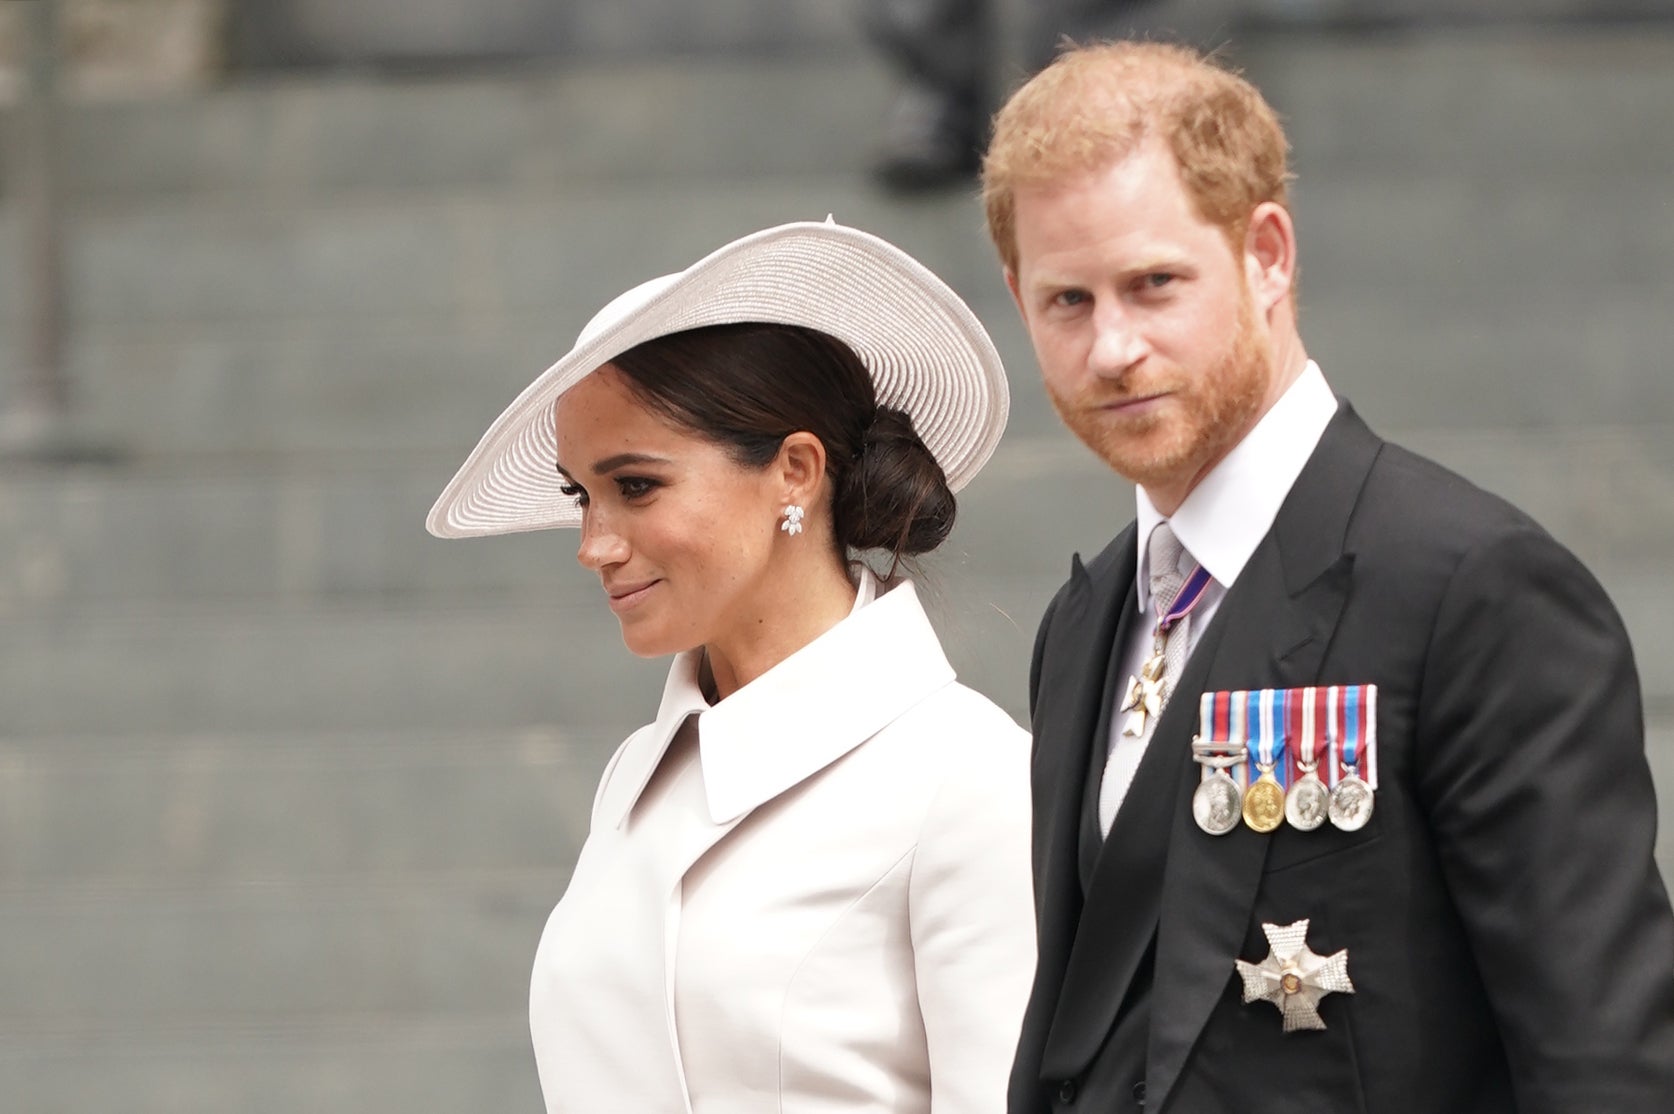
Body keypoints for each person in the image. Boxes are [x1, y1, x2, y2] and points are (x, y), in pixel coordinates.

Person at [980, 40, 1674, 1113]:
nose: (1113, 347)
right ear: (1017, 296)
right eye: (1068, 301)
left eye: (1155, 284)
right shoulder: (1083, 620)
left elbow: (1602, 1064)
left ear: (1266, 253)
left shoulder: (1476, 591)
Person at [426, 220, 1036, 1114]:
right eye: (579, 496)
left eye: (636, 486)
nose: (594, 544)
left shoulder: (970, 778)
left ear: (794, 470)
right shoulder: (637, 776)